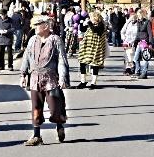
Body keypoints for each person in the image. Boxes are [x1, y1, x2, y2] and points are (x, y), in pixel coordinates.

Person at [20, 16, 69, 146]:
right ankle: (36, 135)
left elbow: (62, 60)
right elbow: (26, 57)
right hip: (35, 78)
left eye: (38, 25)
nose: (35, 27)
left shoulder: (55, 40)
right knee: (36, 107)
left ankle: (59, 125)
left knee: (55, 107)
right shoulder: (32, 40)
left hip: (51, 78)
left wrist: (63, 77)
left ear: (46, 26)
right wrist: (23, 74)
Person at [76, 11, 107, 89]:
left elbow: (95, 30)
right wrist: (81, 24)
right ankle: (83, 81)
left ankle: (93, 82)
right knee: (82, 62)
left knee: (95, 64)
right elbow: (83, 29)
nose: (90, 19)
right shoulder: (90, 24)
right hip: (87, 46)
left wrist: (89, 23)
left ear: (96, 18)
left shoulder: (101, 25)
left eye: (91, 17)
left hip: (96, 47)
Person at [132, 9, 153, 79]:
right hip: (139, 42)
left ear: (142, 14)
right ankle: (137, 71)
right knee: (136, 58)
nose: (138, 16)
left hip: (145, 42)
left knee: (145, 58)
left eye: (139, 14)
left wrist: (150, 43)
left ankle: (144, 73)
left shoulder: (147, 22)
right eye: (137, 15)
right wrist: (135, 41)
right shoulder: (138, 22)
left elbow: (150, 33)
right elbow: (138, 33)